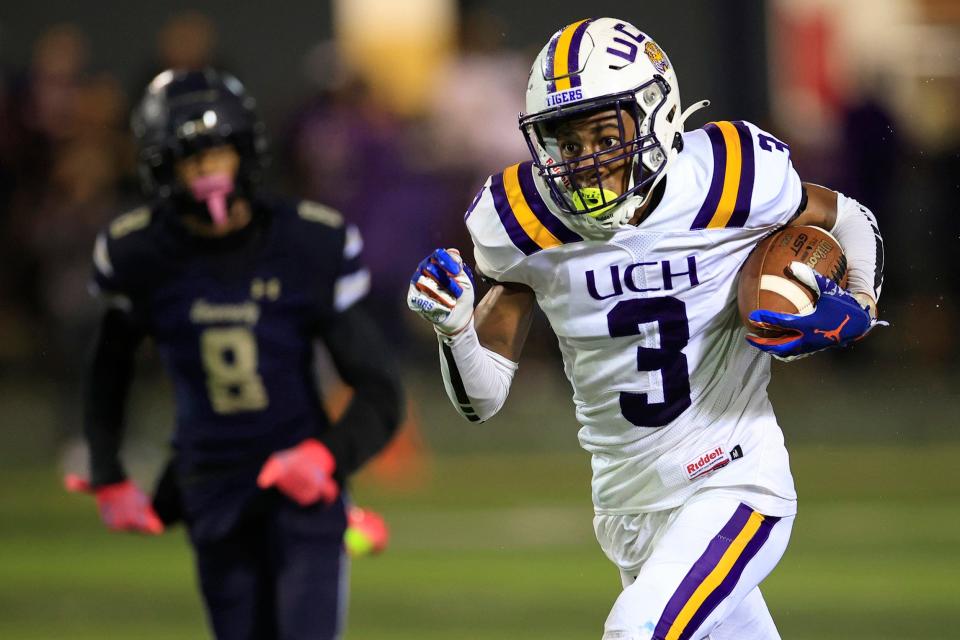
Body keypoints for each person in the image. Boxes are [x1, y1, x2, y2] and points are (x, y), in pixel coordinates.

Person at [407, 18, 884, 640]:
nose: (587, 161)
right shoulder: (521, 222)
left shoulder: (727, 176)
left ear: (656, 114)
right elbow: (482, 399)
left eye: (605, 135)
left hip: (733, 479)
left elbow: (847, 217)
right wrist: (455, 332)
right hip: (628, 504)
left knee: (637, 630)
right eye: (567, 145)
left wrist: (859, 304)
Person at [70, 69, 402, 639]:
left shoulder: (305, 243)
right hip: (210, 483)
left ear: (246, 152)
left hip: (300, 481)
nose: (207, 173)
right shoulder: (140, 251)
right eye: (190, 160)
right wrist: (109, 471)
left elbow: (380, 389)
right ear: (161, 168)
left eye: (218, 154)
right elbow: (109, 367)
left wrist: (327, 456)